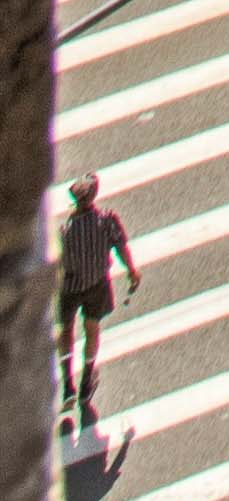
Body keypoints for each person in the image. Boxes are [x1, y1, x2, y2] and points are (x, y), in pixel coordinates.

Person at [56, 175, 134, 449]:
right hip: (97, 286)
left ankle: (68, 382)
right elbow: (121, 246)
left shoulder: (66, 232)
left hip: (70, 288)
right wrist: (132, 272)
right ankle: (87, 378)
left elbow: (59, 265)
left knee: (65, 331)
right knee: (92, 330)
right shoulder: (106, 223)